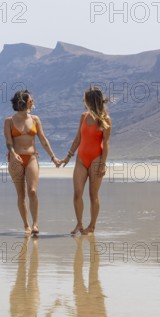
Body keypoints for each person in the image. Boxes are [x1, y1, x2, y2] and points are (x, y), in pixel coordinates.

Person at [4, 90, 61, 236]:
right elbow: (9, 143)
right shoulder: (9, 121)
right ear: (23, 102)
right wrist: (14, 153)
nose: (33, 102)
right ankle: (26, 225)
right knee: (21, 194)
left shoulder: (35, 119)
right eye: (30, 100)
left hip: (32, 158)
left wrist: (53, 157)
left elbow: (43, 139)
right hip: (15, 159)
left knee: (33, 191)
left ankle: (35, 224)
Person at [60, 87, 112, 235]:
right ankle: (79, 224)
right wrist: (68, 157)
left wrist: (103, 164)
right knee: (77, 193)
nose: (83, 101)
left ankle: (92, 226)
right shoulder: (83, 116)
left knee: (93, 195)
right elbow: (78, 139)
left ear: (90, 100)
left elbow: (106, 143)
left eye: (85, 99)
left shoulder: (105, 119)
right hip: (81, 160)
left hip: (96, 159)